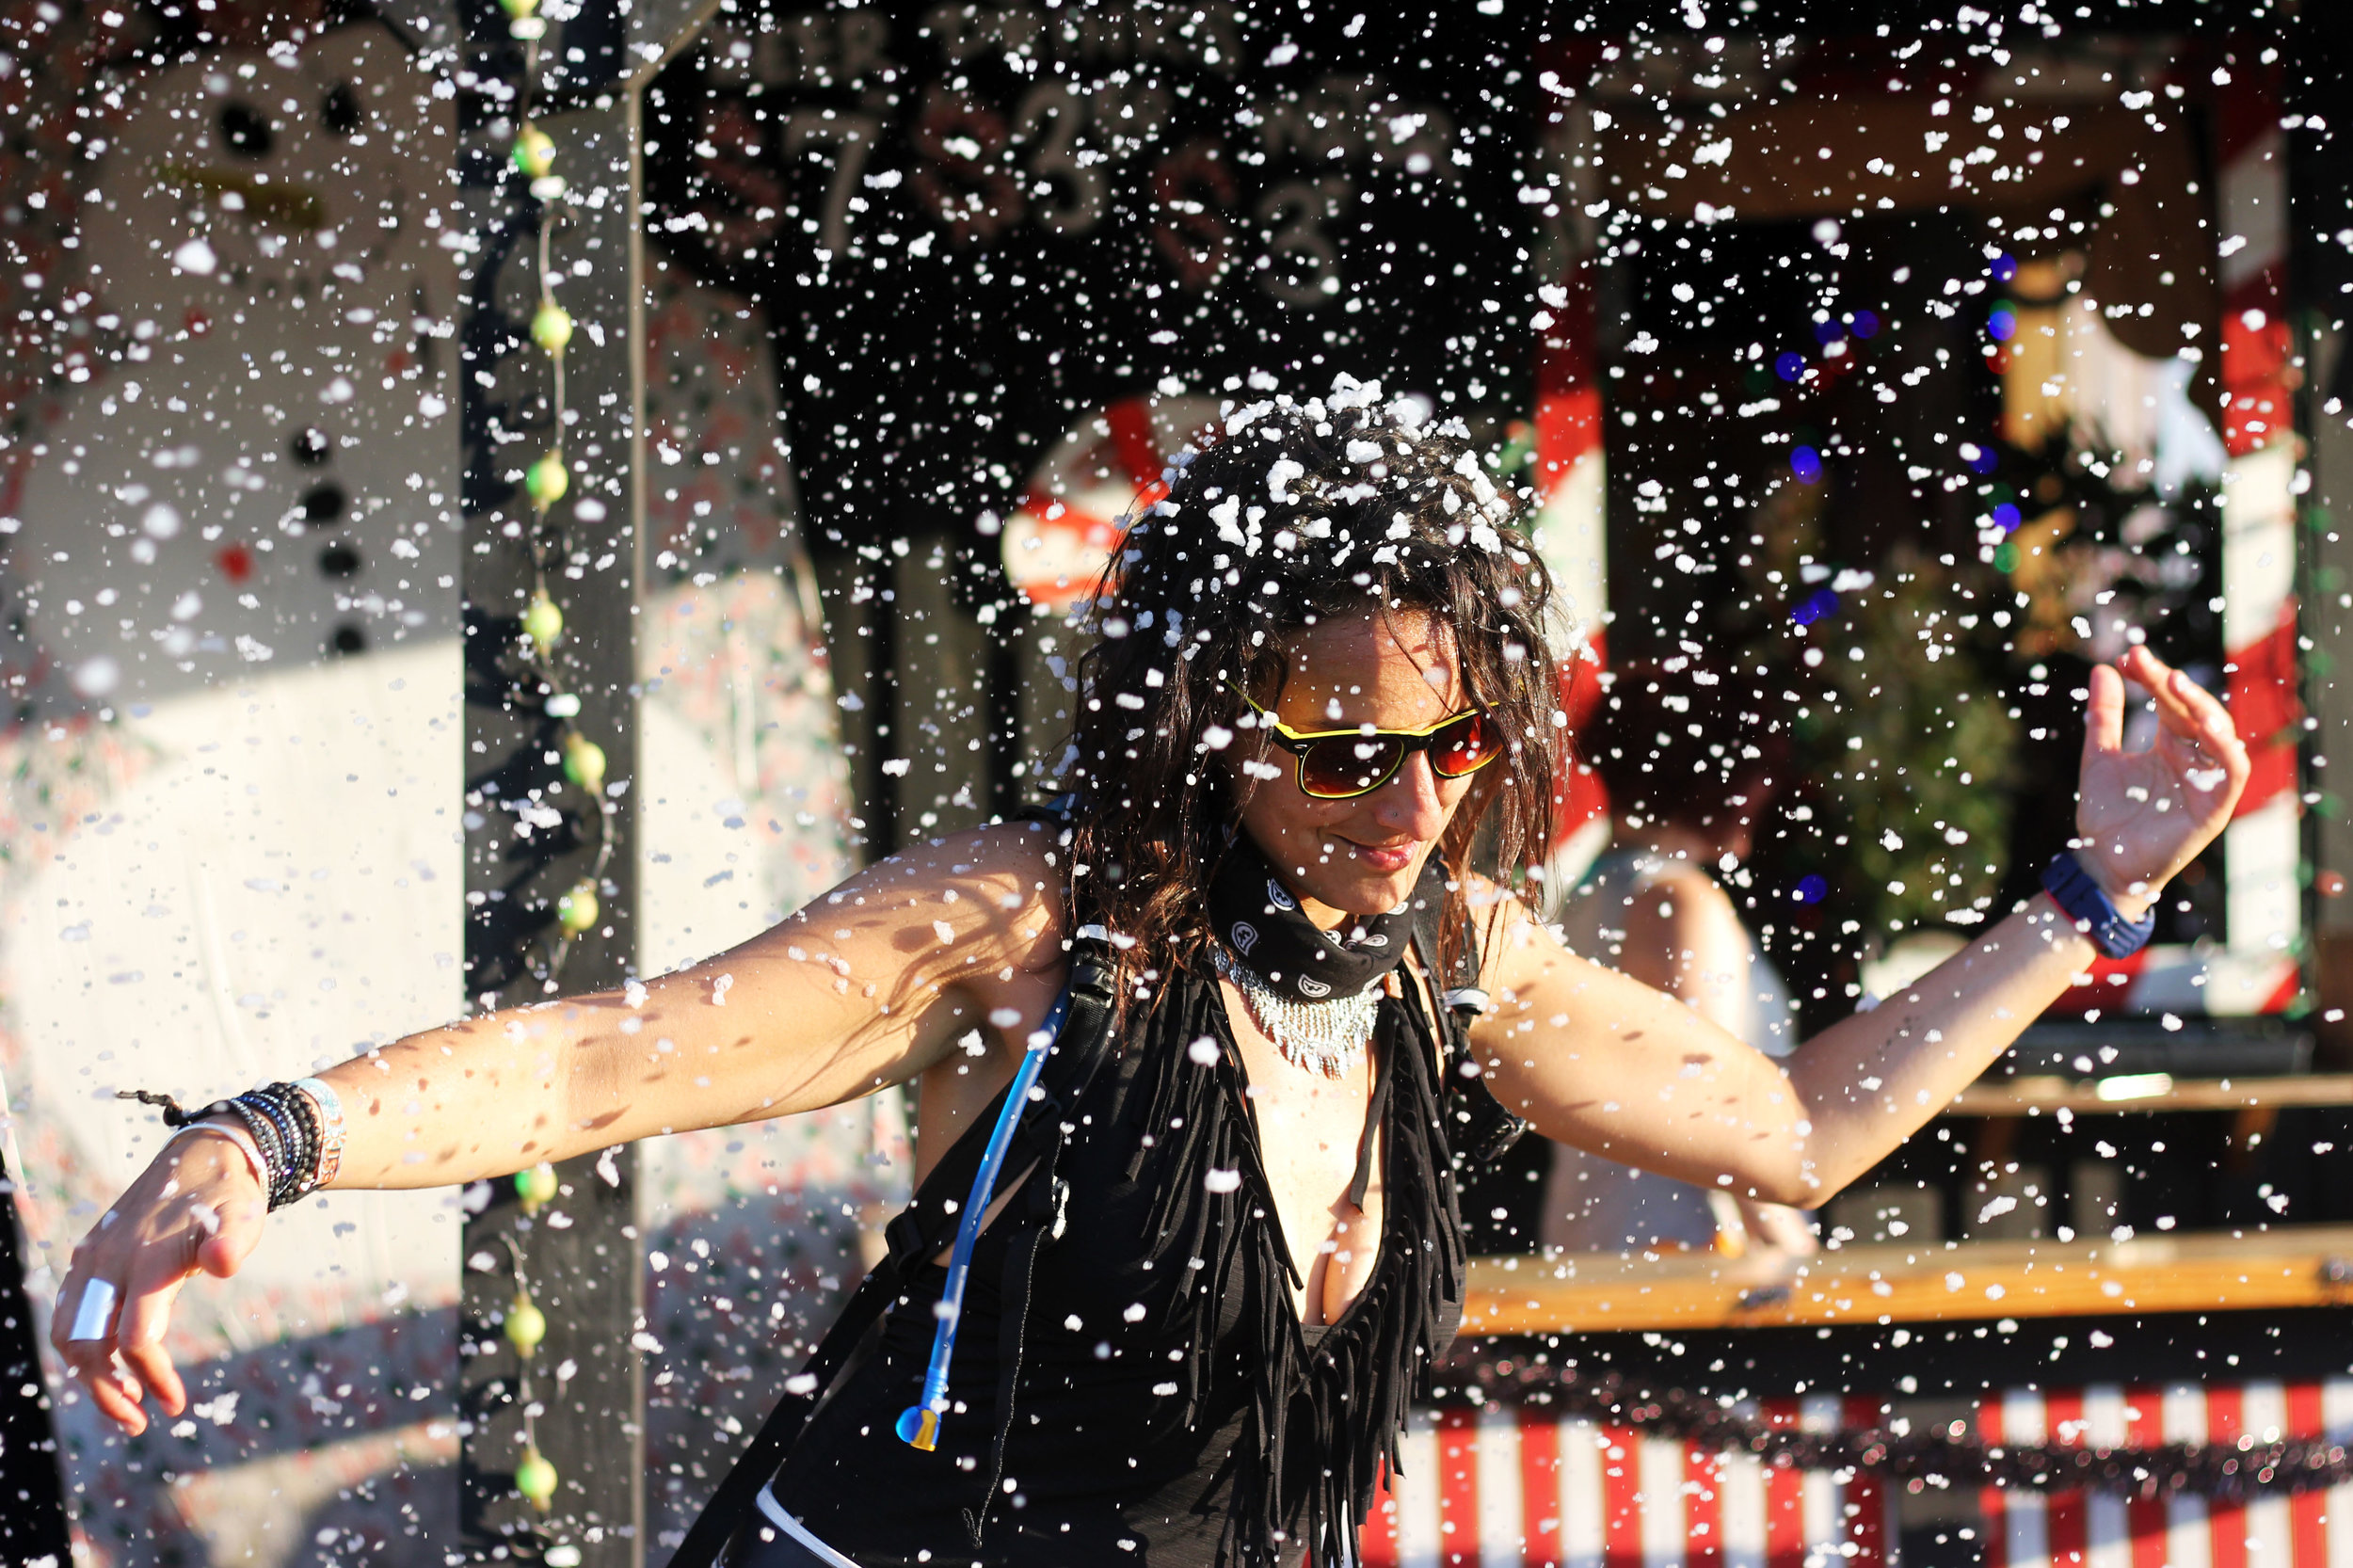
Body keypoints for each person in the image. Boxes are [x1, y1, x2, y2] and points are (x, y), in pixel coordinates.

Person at [53, 382, 2247, 1568]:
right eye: (1333, 751)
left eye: (1450, 752)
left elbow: (1796, 1127)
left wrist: (2090, 895)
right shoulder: (1042, 920)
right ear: (1209, 711)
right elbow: (612, 1067)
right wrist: (279, 1139)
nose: (1402, 810)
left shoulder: (1454, 959)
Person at [1543, 661, 1816, 1258]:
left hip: (1596, 1234)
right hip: (1685, 1253)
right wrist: (1793, 1249)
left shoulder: (1588, 895)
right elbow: (1722, 1108)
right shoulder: (1678, 901)